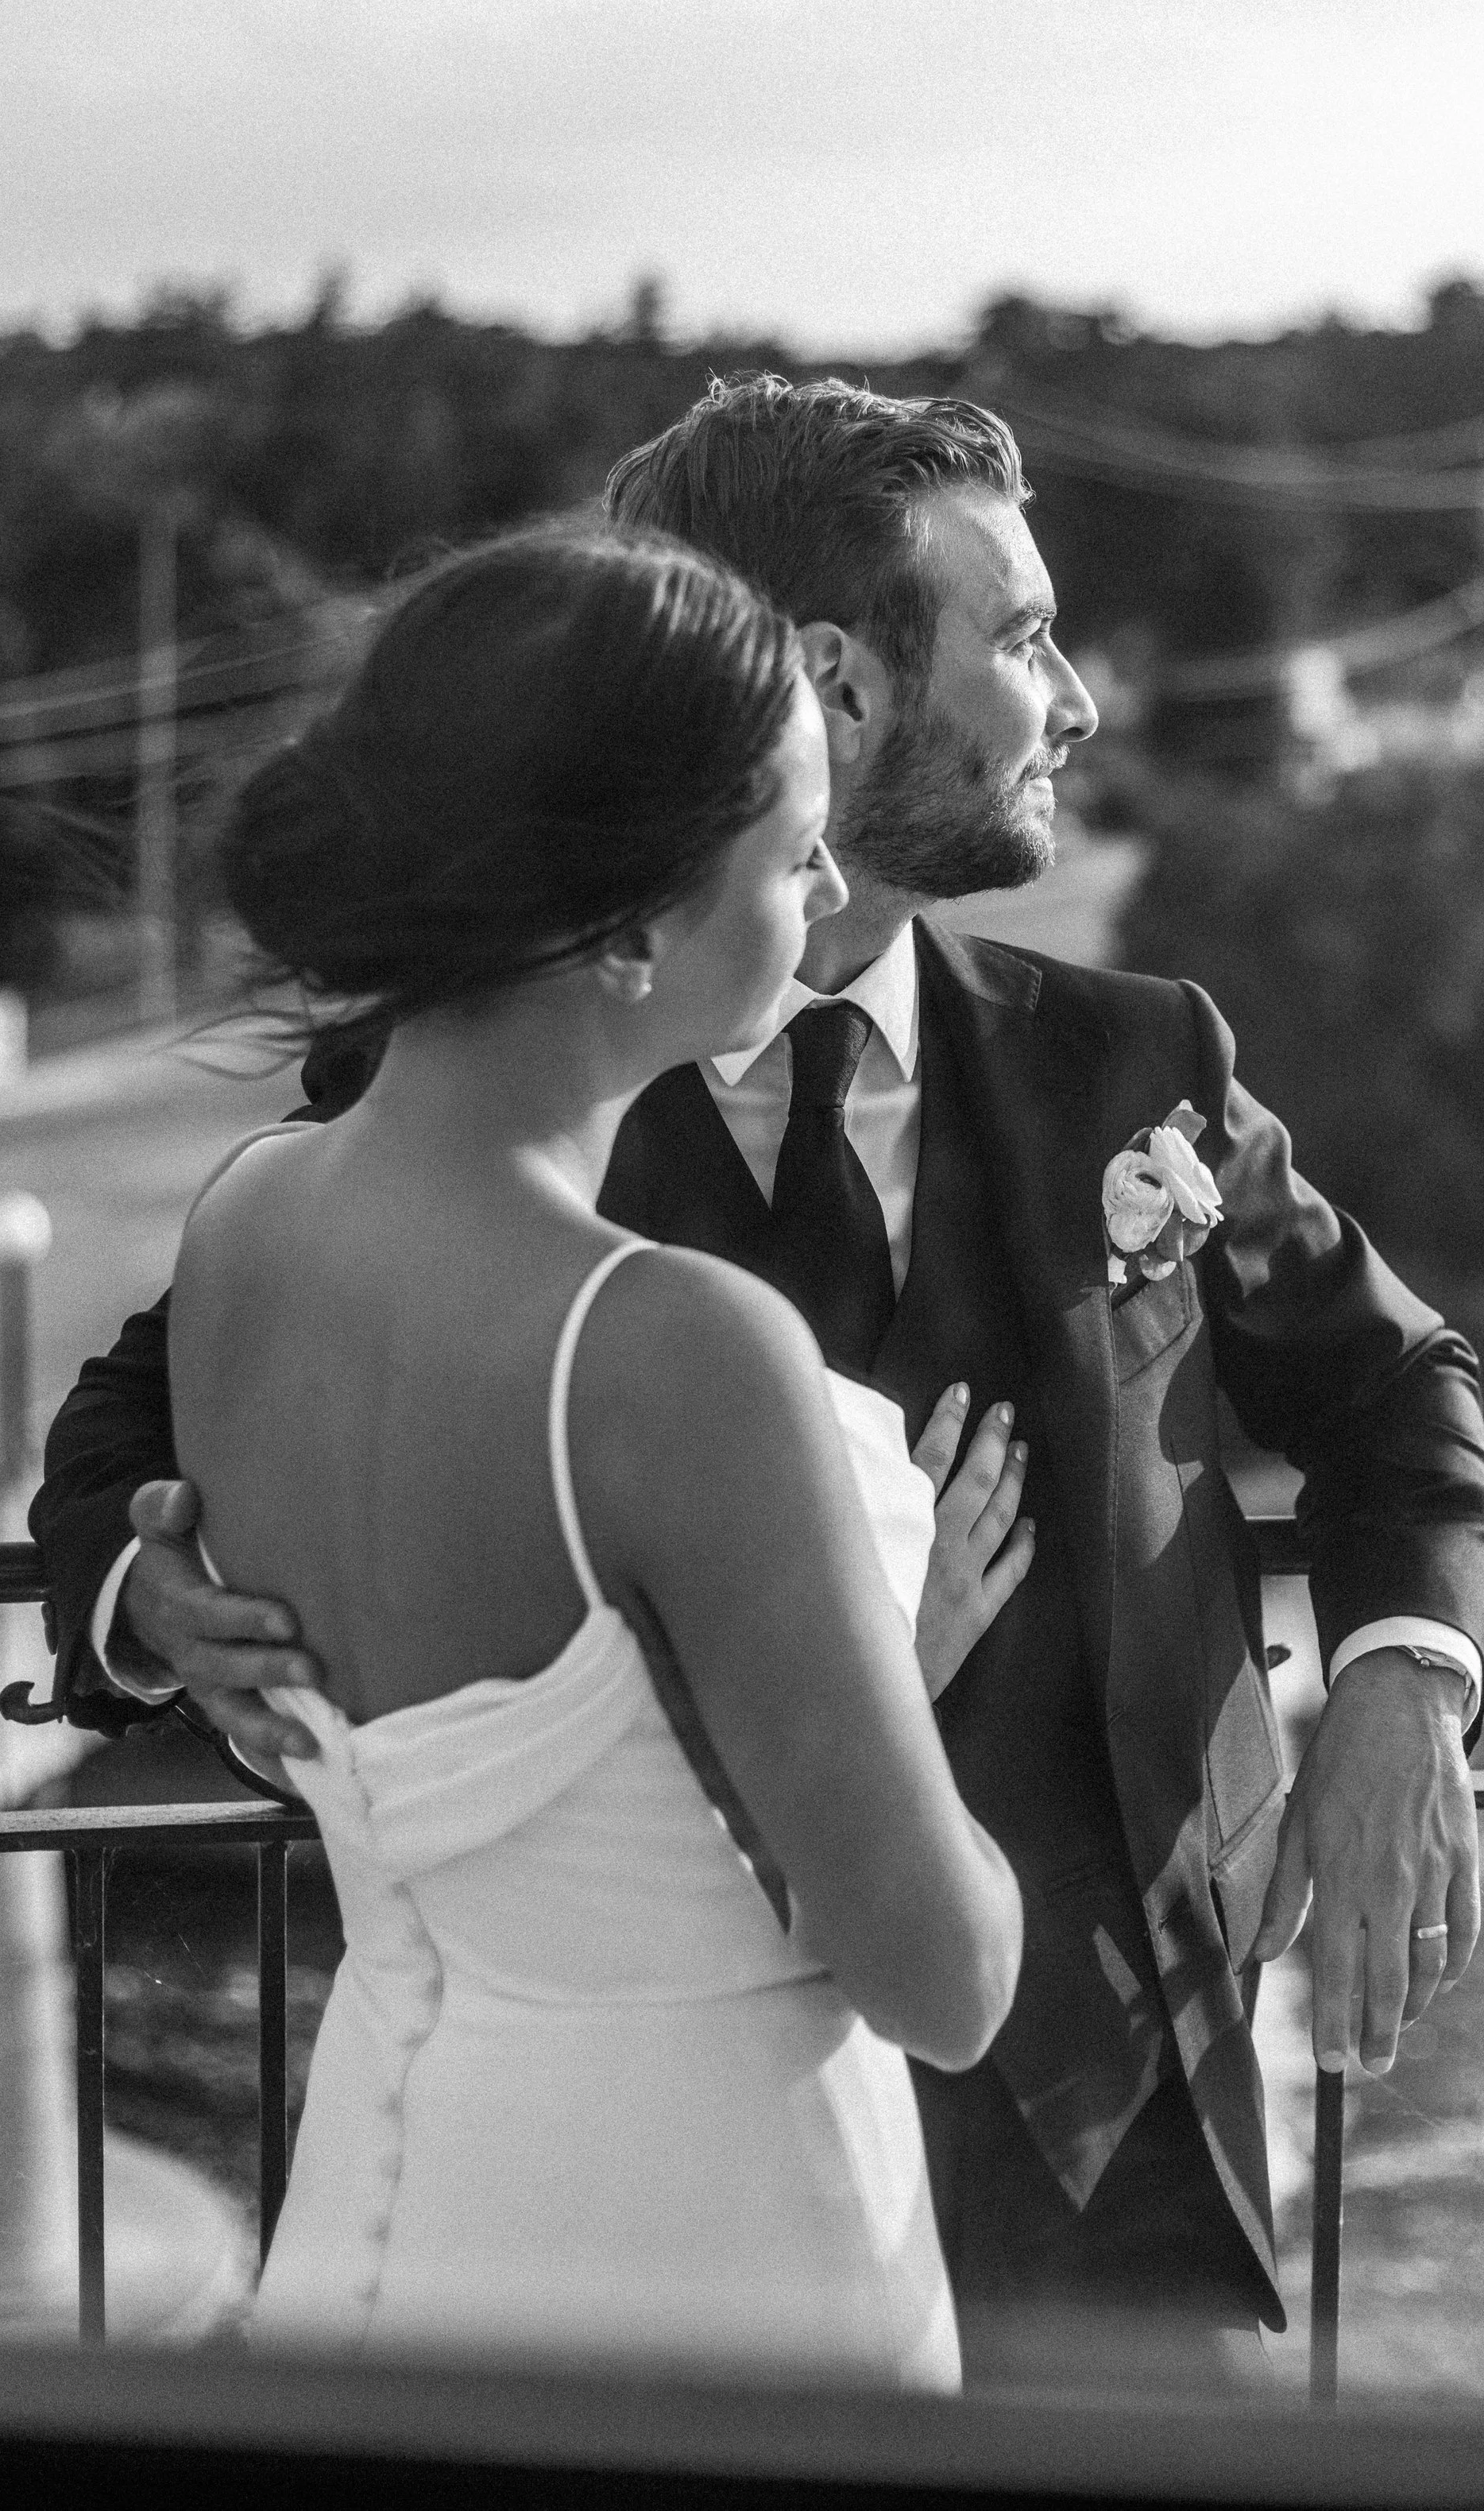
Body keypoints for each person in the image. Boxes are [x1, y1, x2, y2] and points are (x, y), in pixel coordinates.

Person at [29, 376, 1484, 2385]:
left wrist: (1402, 1691)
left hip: (1116, 2161)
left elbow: (1389, 1387)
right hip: (721, 2170)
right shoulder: (477, 1083)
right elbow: (142, 1411)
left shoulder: (1137, 1060)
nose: (1070, 698)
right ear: (834, 682)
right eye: (1017, 632)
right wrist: (144, 1602)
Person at [150, 521, 1023, 2374]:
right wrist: (903, 1669)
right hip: (702, 2264)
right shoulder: (674, 1355)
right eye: (794, 857)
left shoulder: (242, 1225)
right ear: (630, 924)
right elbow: (941, 1983)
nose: (819, 901)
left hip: (385, 2209)